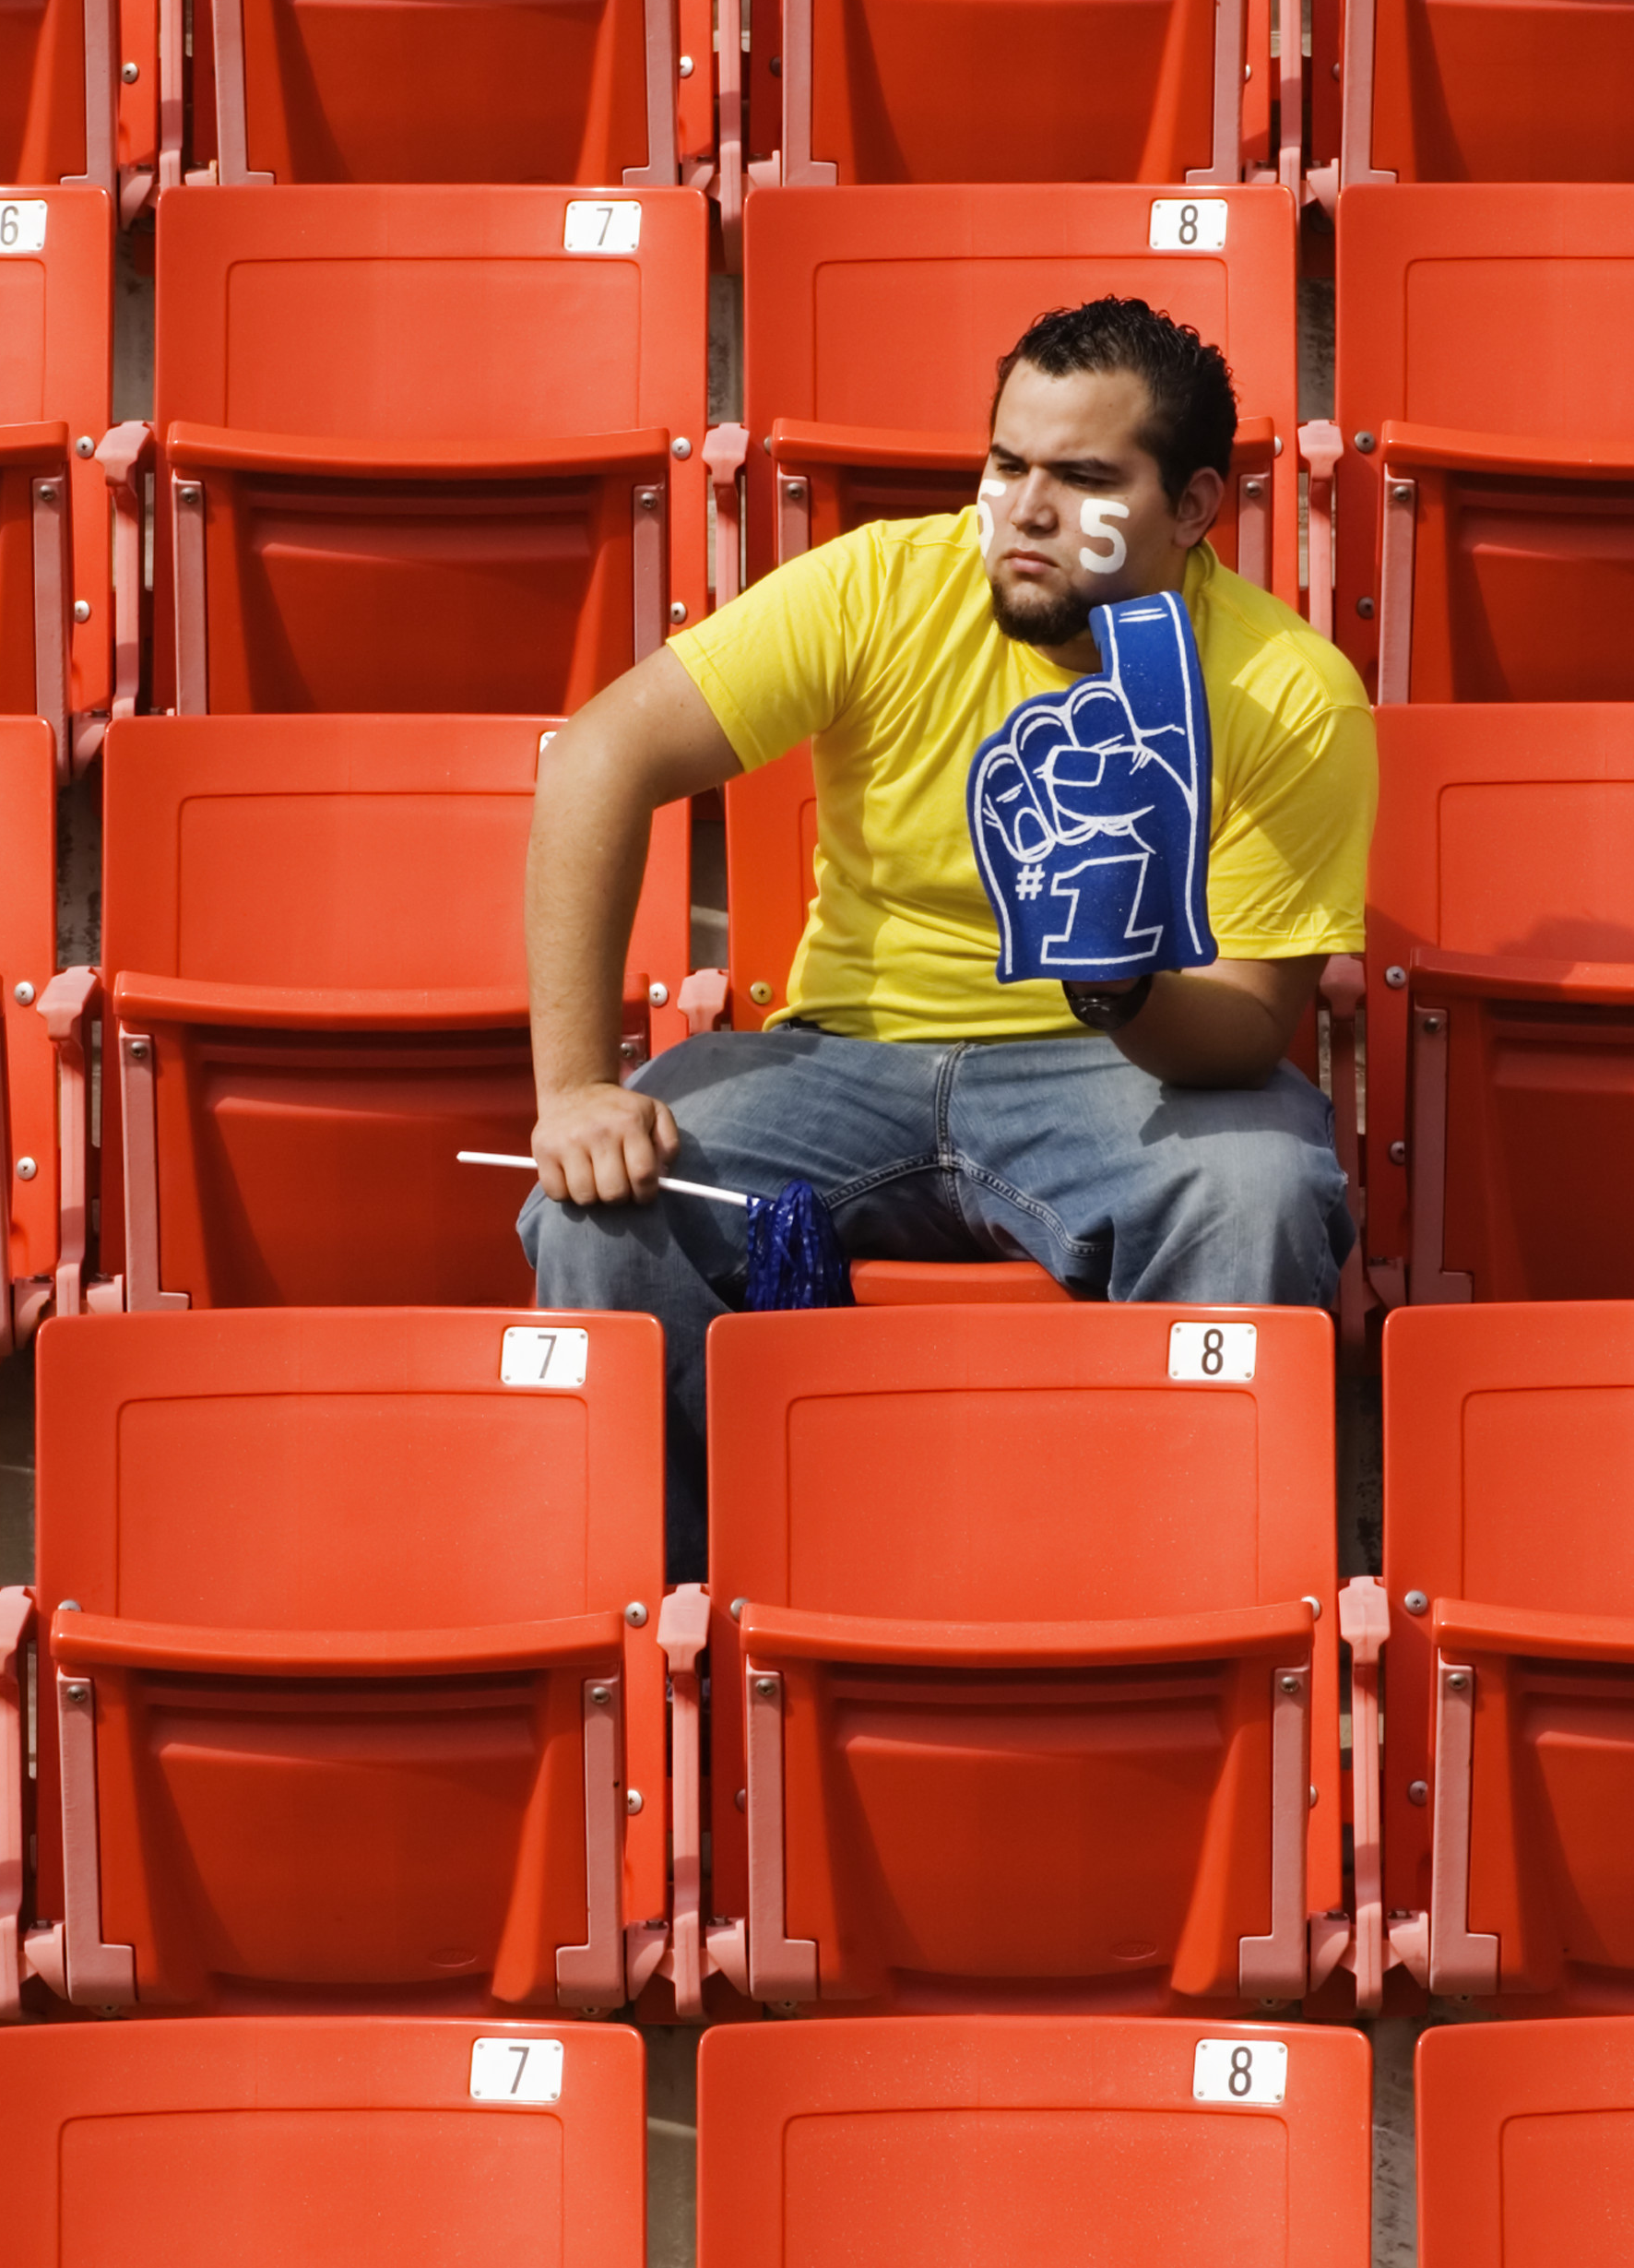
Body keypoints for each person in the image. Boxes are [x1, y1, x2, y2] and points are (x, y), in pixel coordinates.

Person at [515, 292, 1375, 1571]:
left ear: (1192, 507)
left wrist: (1119, 981)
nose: (1024, 510)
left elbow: (1247, 1024)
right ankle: (693, 1634)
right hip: (839, 1060)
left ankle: (1192, 1622)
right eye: (1004, 464)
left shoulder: (1285, 689)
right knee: (596, 1209)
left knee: (1260, 1188)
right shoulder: (882, 583)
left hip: (1111, 1079)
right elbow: (598, 754)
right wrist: (577, 1086)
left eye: (1083, 476)